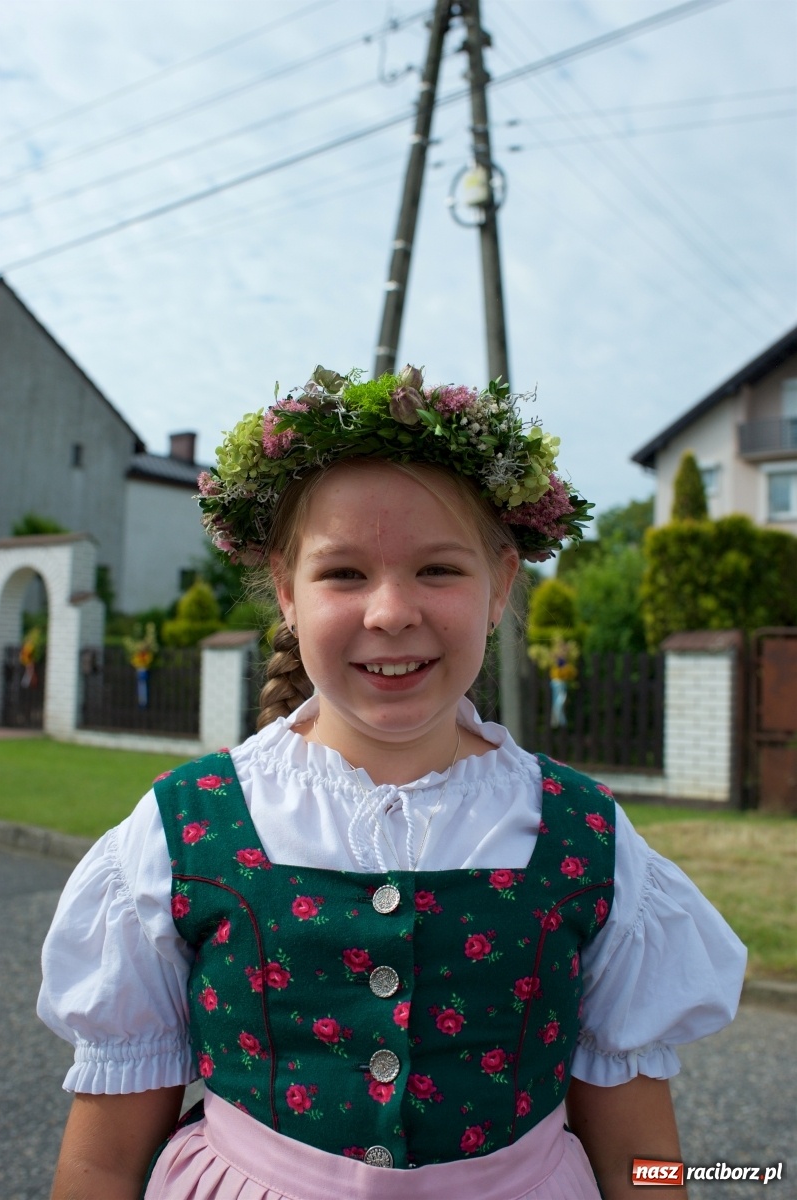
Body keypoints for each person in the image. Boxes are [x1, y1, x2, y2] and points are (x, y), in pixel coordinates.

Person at [39, 364, 746, 1200]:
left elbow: (644, 1164)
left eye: (439, 570)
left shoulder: (587, 836)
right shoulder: (183, 829)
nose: (390, 612)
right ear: (286, 593)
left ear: (501, 586)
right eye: (343, 574)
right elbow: (101, 1165)